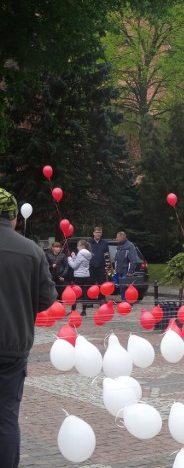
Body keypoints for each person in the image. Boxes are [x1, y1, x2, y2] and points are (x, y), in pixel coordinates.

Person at [0, 188, 57, 467]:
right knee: (6, 417)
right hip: (13, 346)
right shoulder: (32, 250)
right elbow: (47, 298)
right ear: (12, 216)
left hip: (13, 345)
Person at [67, 239, 93, 316]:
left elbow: (74, 266)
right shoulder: (88, 254)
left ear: (81, 246)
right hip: (86, 275)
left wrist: (69, 259)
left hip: (79, 276)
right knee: (84, 293)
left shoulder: (81, 253)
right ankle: (84, 311)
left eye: (78, 246)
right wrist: (74, 257)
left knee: (75, 293)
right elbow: (80, 263)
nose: (77, 248)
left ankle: (73, 310)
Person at [114, 231, 140, 301]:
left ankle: (128, 303)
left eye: (117, 237)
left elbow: (133, 260)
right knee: (122, 287)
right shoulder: (119, 246)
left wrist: (130, 271)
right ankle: (123, 301)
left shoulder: (130, 246)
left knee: (127, 287)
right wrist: (116, 269)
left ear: (122, 237)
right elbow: (116, 259)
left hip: (126, 270)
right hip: (119, 270)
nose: (116, 238)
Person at [88, 226, 109, 299]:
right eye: (97, 232)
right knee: (90, 284)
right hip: (91, 266)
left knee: (102, 284)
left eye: (100, 232)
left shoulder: (105, 243)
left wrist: (108, 268)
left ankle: (101, 300)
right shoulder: (88, 243)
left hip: (101, 267)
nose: (98, 234)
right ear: (93, 233)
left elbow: (107, 255)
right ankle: (90, 300)